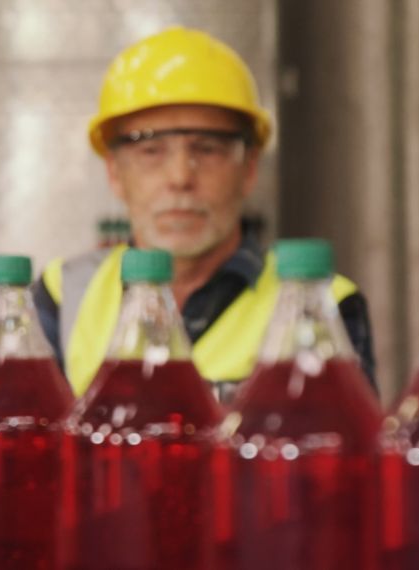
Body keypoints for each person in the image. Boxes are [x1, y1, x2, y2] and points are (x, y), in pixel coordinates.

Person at [31, 26, 377, 402]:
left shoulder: (322, 306)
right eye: (151, 151)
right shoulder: (63, 294)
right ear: (115, 172)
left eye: (208, 148)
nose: (180, 177)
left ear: (248, 168)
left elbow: (337, 455)